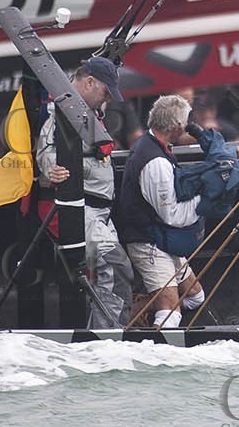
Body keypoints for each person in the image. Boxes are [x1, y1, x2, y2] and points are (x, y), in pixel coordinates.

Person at [36, 57, 134, 327]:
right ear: (89, 82)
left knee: (109, 275)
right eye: (106, 92)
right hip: (81, 210)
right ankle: (109, 339)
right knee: (115, 266)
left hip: (100, 212)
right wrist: (53, 168)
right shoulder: (61, 112)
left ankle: (102, 335)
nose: (109, 99)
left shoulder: (88, 110)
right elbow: (47, 151)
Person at [114, 94, 204, 329]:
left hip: (163, 238)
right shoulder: (156, 162)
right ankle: (137, 332)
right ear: (176, 127)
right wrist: (203, 203)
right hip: (148, 242)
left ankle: (141, 309)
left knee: (196, 297)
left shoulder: (153, 147)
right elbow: (170, 214)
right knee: (170, 313)